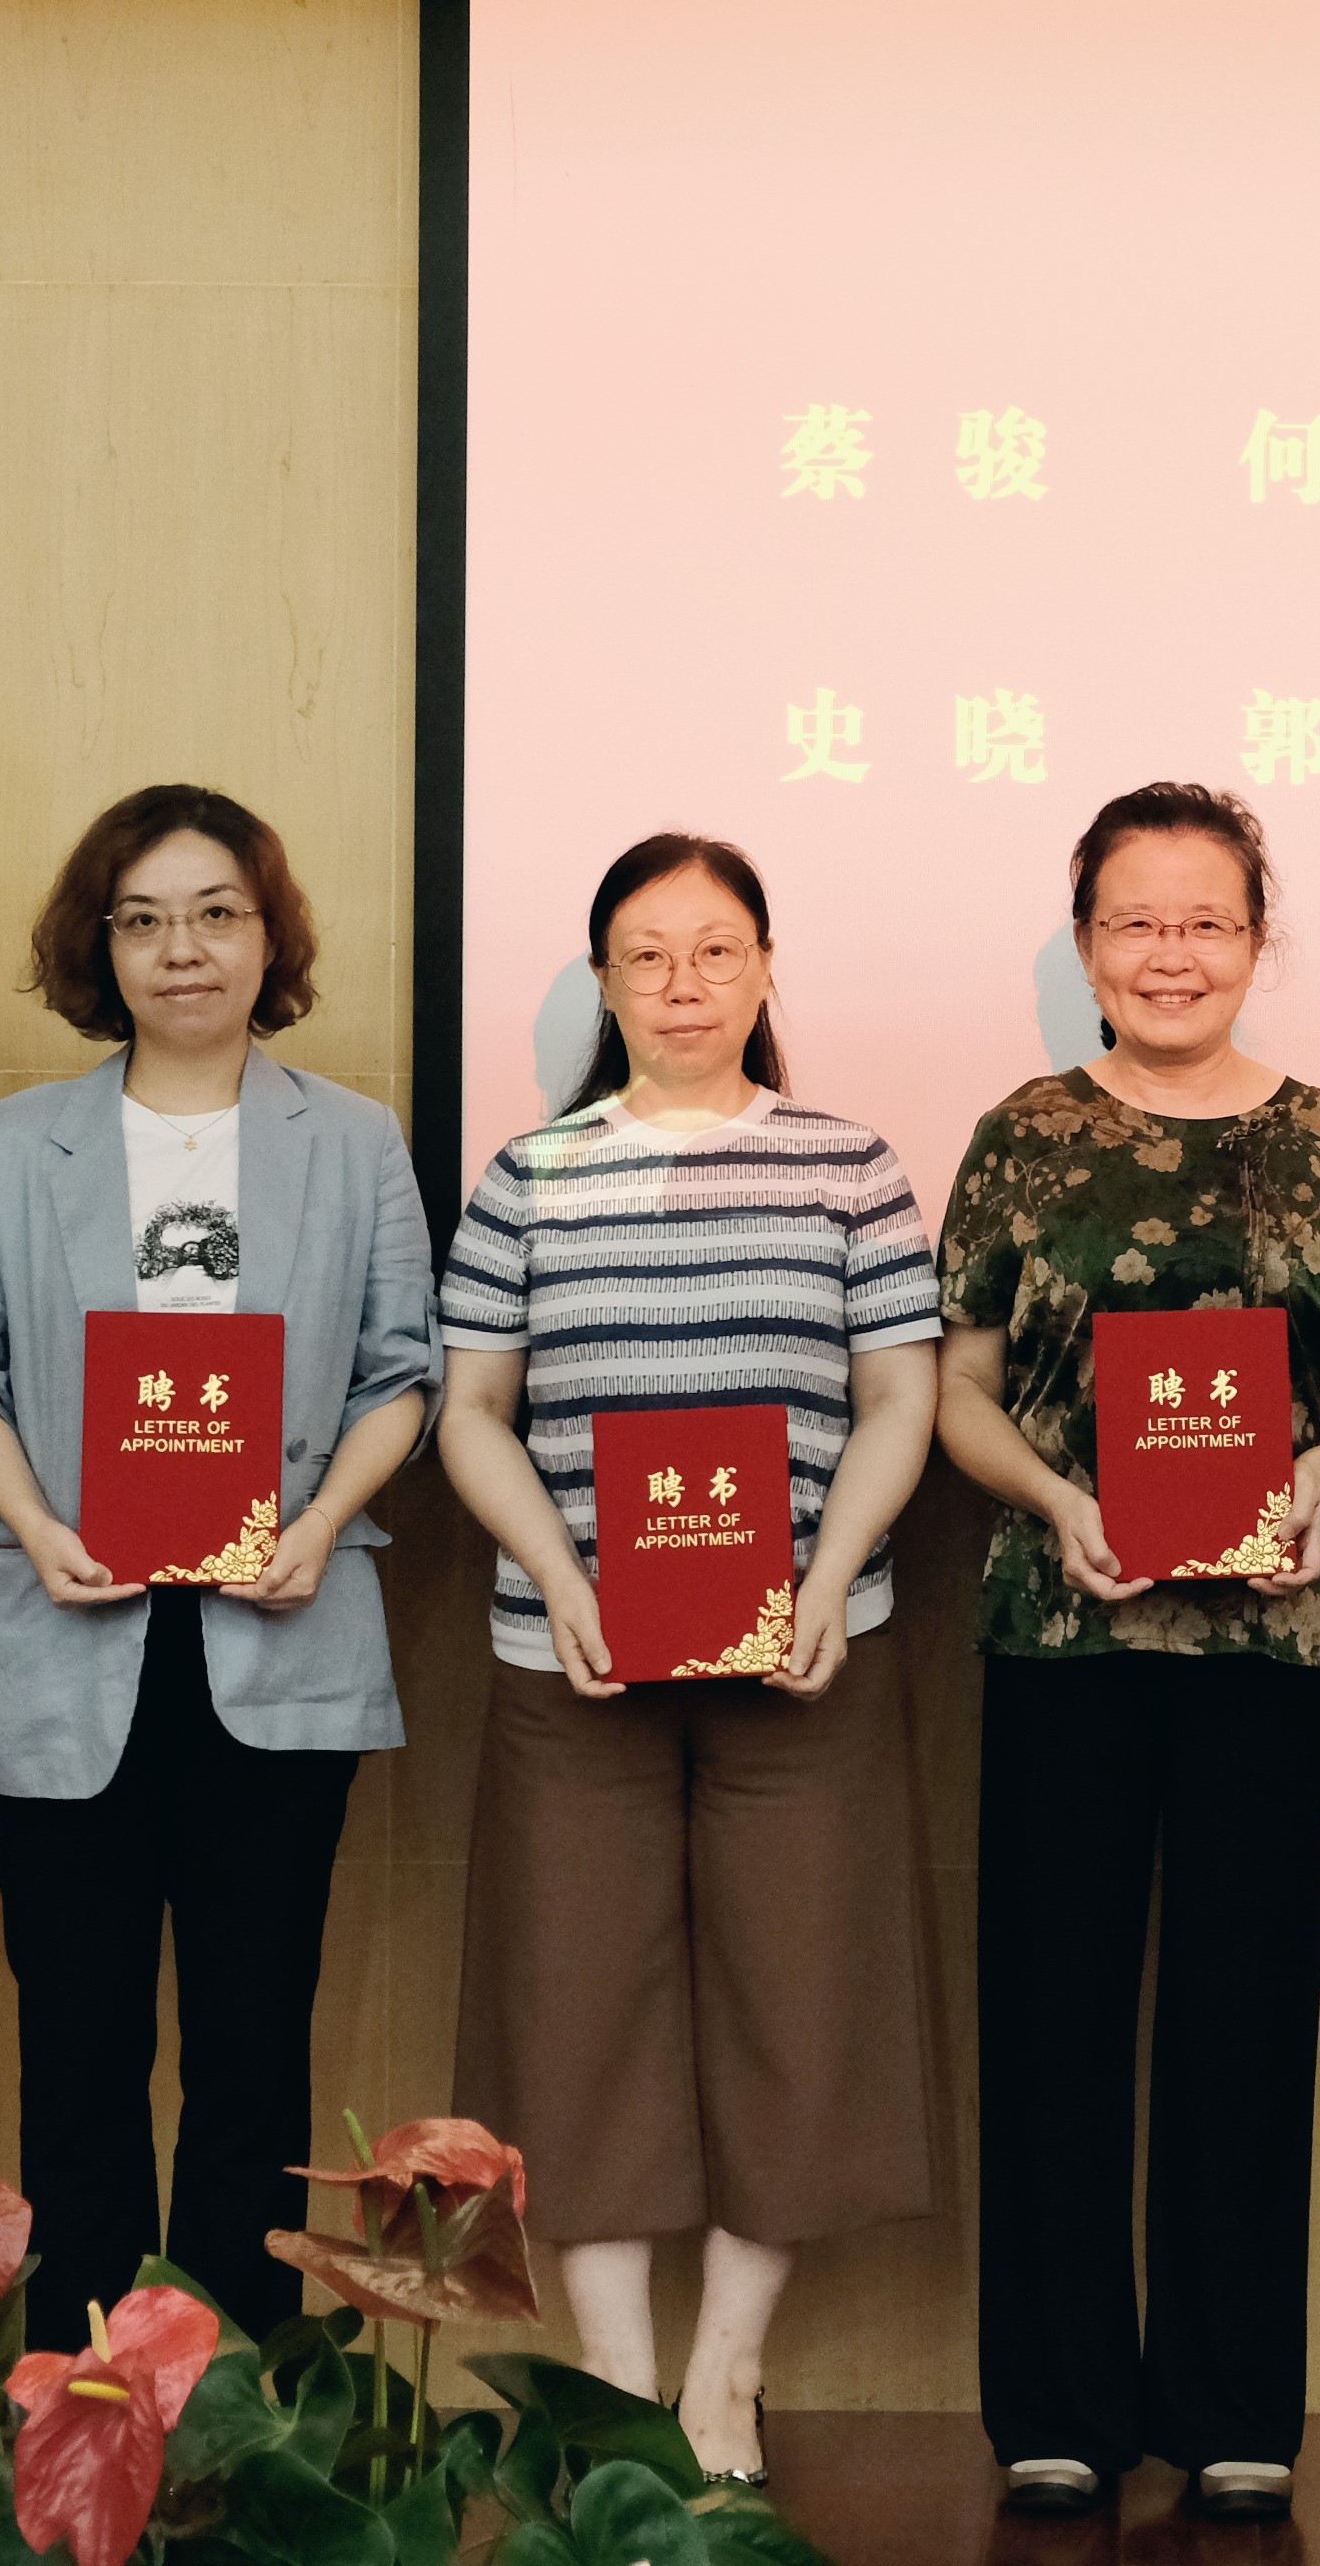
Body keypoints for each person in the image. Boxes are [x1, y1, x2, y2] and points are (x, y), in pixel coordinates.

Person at [936, 783, 1320, 2525]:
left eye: (1207, 922)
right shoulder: (1023, 1138)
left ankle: (1234, 2403)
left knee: (1245, 2014)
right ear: (1086, 945)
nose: (1171, 954)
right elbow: (960, 1389)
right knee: (1053, 2013)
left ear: (1256, 940)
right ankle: (1058, 2403)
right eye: (1135, 923)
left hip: (1266, 1631)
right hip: (1062, 1618)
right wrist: (1052, 1497)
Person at [438, 833, 943, 2486]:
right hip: (572, 1660)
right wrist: (557, 1571)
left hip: (807, 1659)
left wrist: (832, 1572)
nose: (682, 985)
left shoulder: (847, 1165)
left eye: (717, 951)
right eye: (646, 956)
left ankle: (726, 2379)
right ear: (602, 981)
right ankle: (616, 2390)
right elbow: (471, 1410)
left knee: (800, 2003)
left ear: (766, 968)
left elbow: (901, 1395)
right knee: (575, 2012)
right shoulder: (529, 1175)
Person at [0, 785, 437, 2336]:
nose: (181, 949)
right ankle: (86, 2390)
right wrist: (38, 1526)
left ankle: (231, 2396)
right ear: (102, 949)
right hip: (66, 1634)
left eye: (216, 913)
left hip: (276, 1640)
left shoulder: (354, 1142)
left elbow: (400, 1373)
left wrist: (320, 1524)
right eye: (142, 920)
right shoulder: (12, 1147)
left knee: (255, 2052)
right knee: (76, 2054)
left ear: (269, 938)